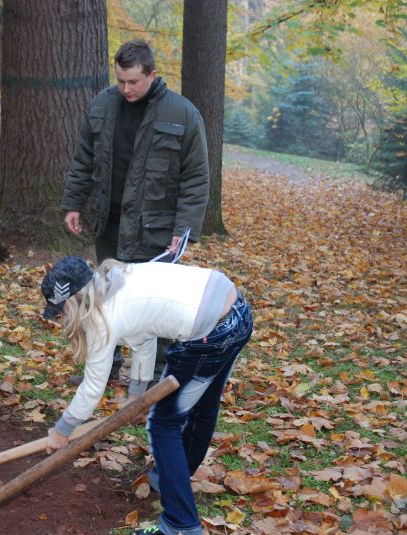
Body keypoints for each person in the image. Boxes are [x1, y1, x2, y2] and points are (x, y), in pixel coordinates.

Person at [41, 256, 253, 535]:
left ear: (76, 299)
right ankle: (172, 478)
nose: (63, 318)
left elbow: (92, 388)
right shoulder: (117, 279)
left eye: (62, 311)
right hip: (237, 311)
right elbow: (144, 340)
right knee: (203, 407)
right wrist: (135, 397)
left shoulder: (102, 320)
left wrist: (62, 431)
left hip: (210, 333)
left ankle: (180, 525)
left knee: (164, 424)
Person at [61, 39, 209, 384]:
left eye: (133, 82)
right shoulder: (102, 105)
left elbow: (196, 177)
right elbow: (83, 159)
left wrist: (183, 229)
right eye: (120, 81)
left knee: (154, 303)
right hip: (109, 224)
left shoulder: (182, 113)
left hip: (156, 228)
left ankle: (154, 375)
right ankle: (103, 368)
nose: (126, 89)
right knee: (105, 300)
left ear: (152, 75)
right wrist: (73, 203)